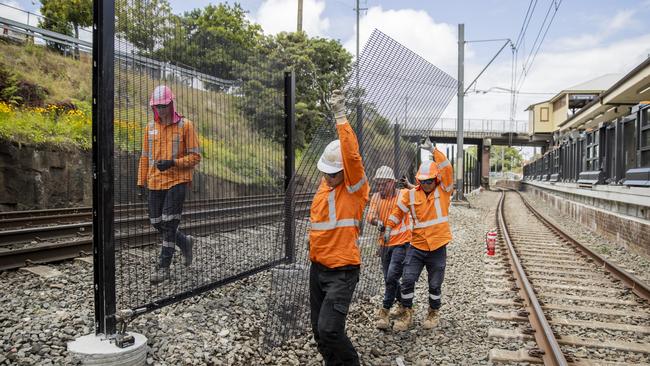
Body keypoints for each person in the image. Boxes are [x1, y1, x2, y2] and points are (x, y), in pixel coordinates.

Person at [309, 90, 369, 366]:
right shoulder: (326, 184)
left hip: (342, 272)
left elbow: (352, 156)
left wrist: (341, 117)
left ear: (344, 171)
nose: (328, 178)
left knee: (330, 329)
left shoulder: (355, 188)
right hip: (318, 268)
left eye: (334, 174)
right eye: (325, 173)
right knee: (320, 335)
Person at [384, 139, 454, 331]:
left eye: (430, 181)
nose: (426, 184)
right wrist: (389, 226)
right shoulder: (411, 194)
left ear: (436, 179)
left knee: (435, 284)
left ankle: (433, 312)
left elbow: (447, 168)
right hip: (417, 245)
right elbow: (398, 211)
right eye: (423, 181)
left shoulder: (444, 190)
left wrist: (433, 150)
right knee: (407, 280)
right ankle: (407, 313)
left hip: (438, 246)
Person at [137, 85, 201, 284]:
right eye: (157, 106)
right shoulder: (149, 128)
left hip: (177, 181)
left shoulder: (185, 126)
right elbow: (145, 157)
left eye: (164, 105)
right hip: (155, 181)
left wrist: (174, 163)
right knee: (157, 221)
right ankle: (185, 242)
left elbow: (196, 156)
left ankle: (163, 267)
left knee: (170, 222)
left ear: (171, 104)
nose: (161, 109)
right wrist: (141, 181)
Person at [366, 165, 412, 330]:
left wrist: (411, 185)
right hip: (384, 245)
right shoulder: (376, 198)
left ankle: (385, 310)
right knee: (389, 279)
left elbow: (419, 194)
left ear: (392, 183)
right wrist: (376, 222)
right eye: (378, 184)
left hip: (401, 243)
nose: (380, 187)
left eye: (383, 184)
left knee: (392, 276)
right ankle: (403, 304)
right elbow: (370, 215)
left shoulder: (403, 195)